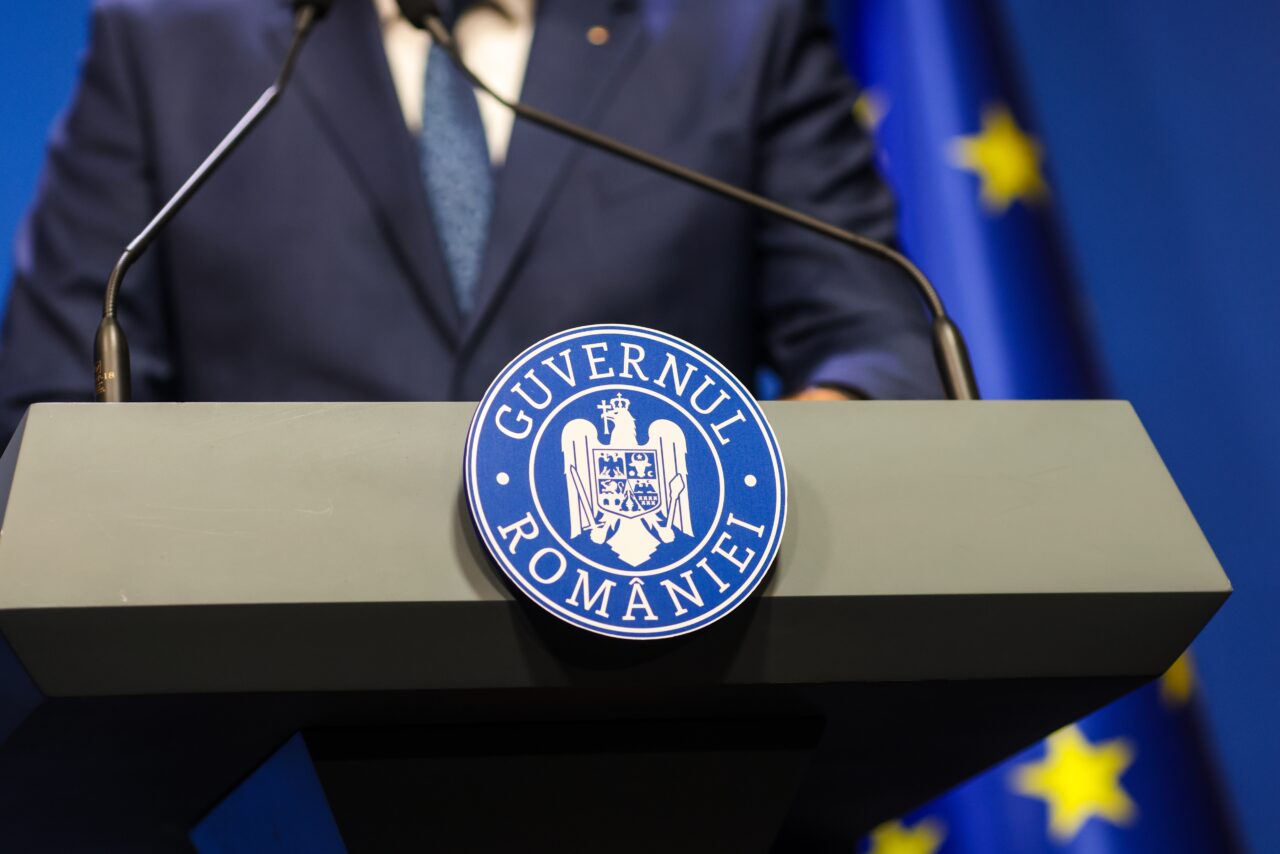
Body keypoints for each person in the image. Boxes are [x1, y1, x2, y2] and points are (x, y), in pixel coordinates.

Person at [0, 0, 942, 444]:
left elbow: (885, 345)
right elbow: (54, 406)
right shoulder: (167, 39)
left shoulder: (738, 28)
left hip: (668, 676)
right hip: (267, 707)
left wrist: (779, 449)